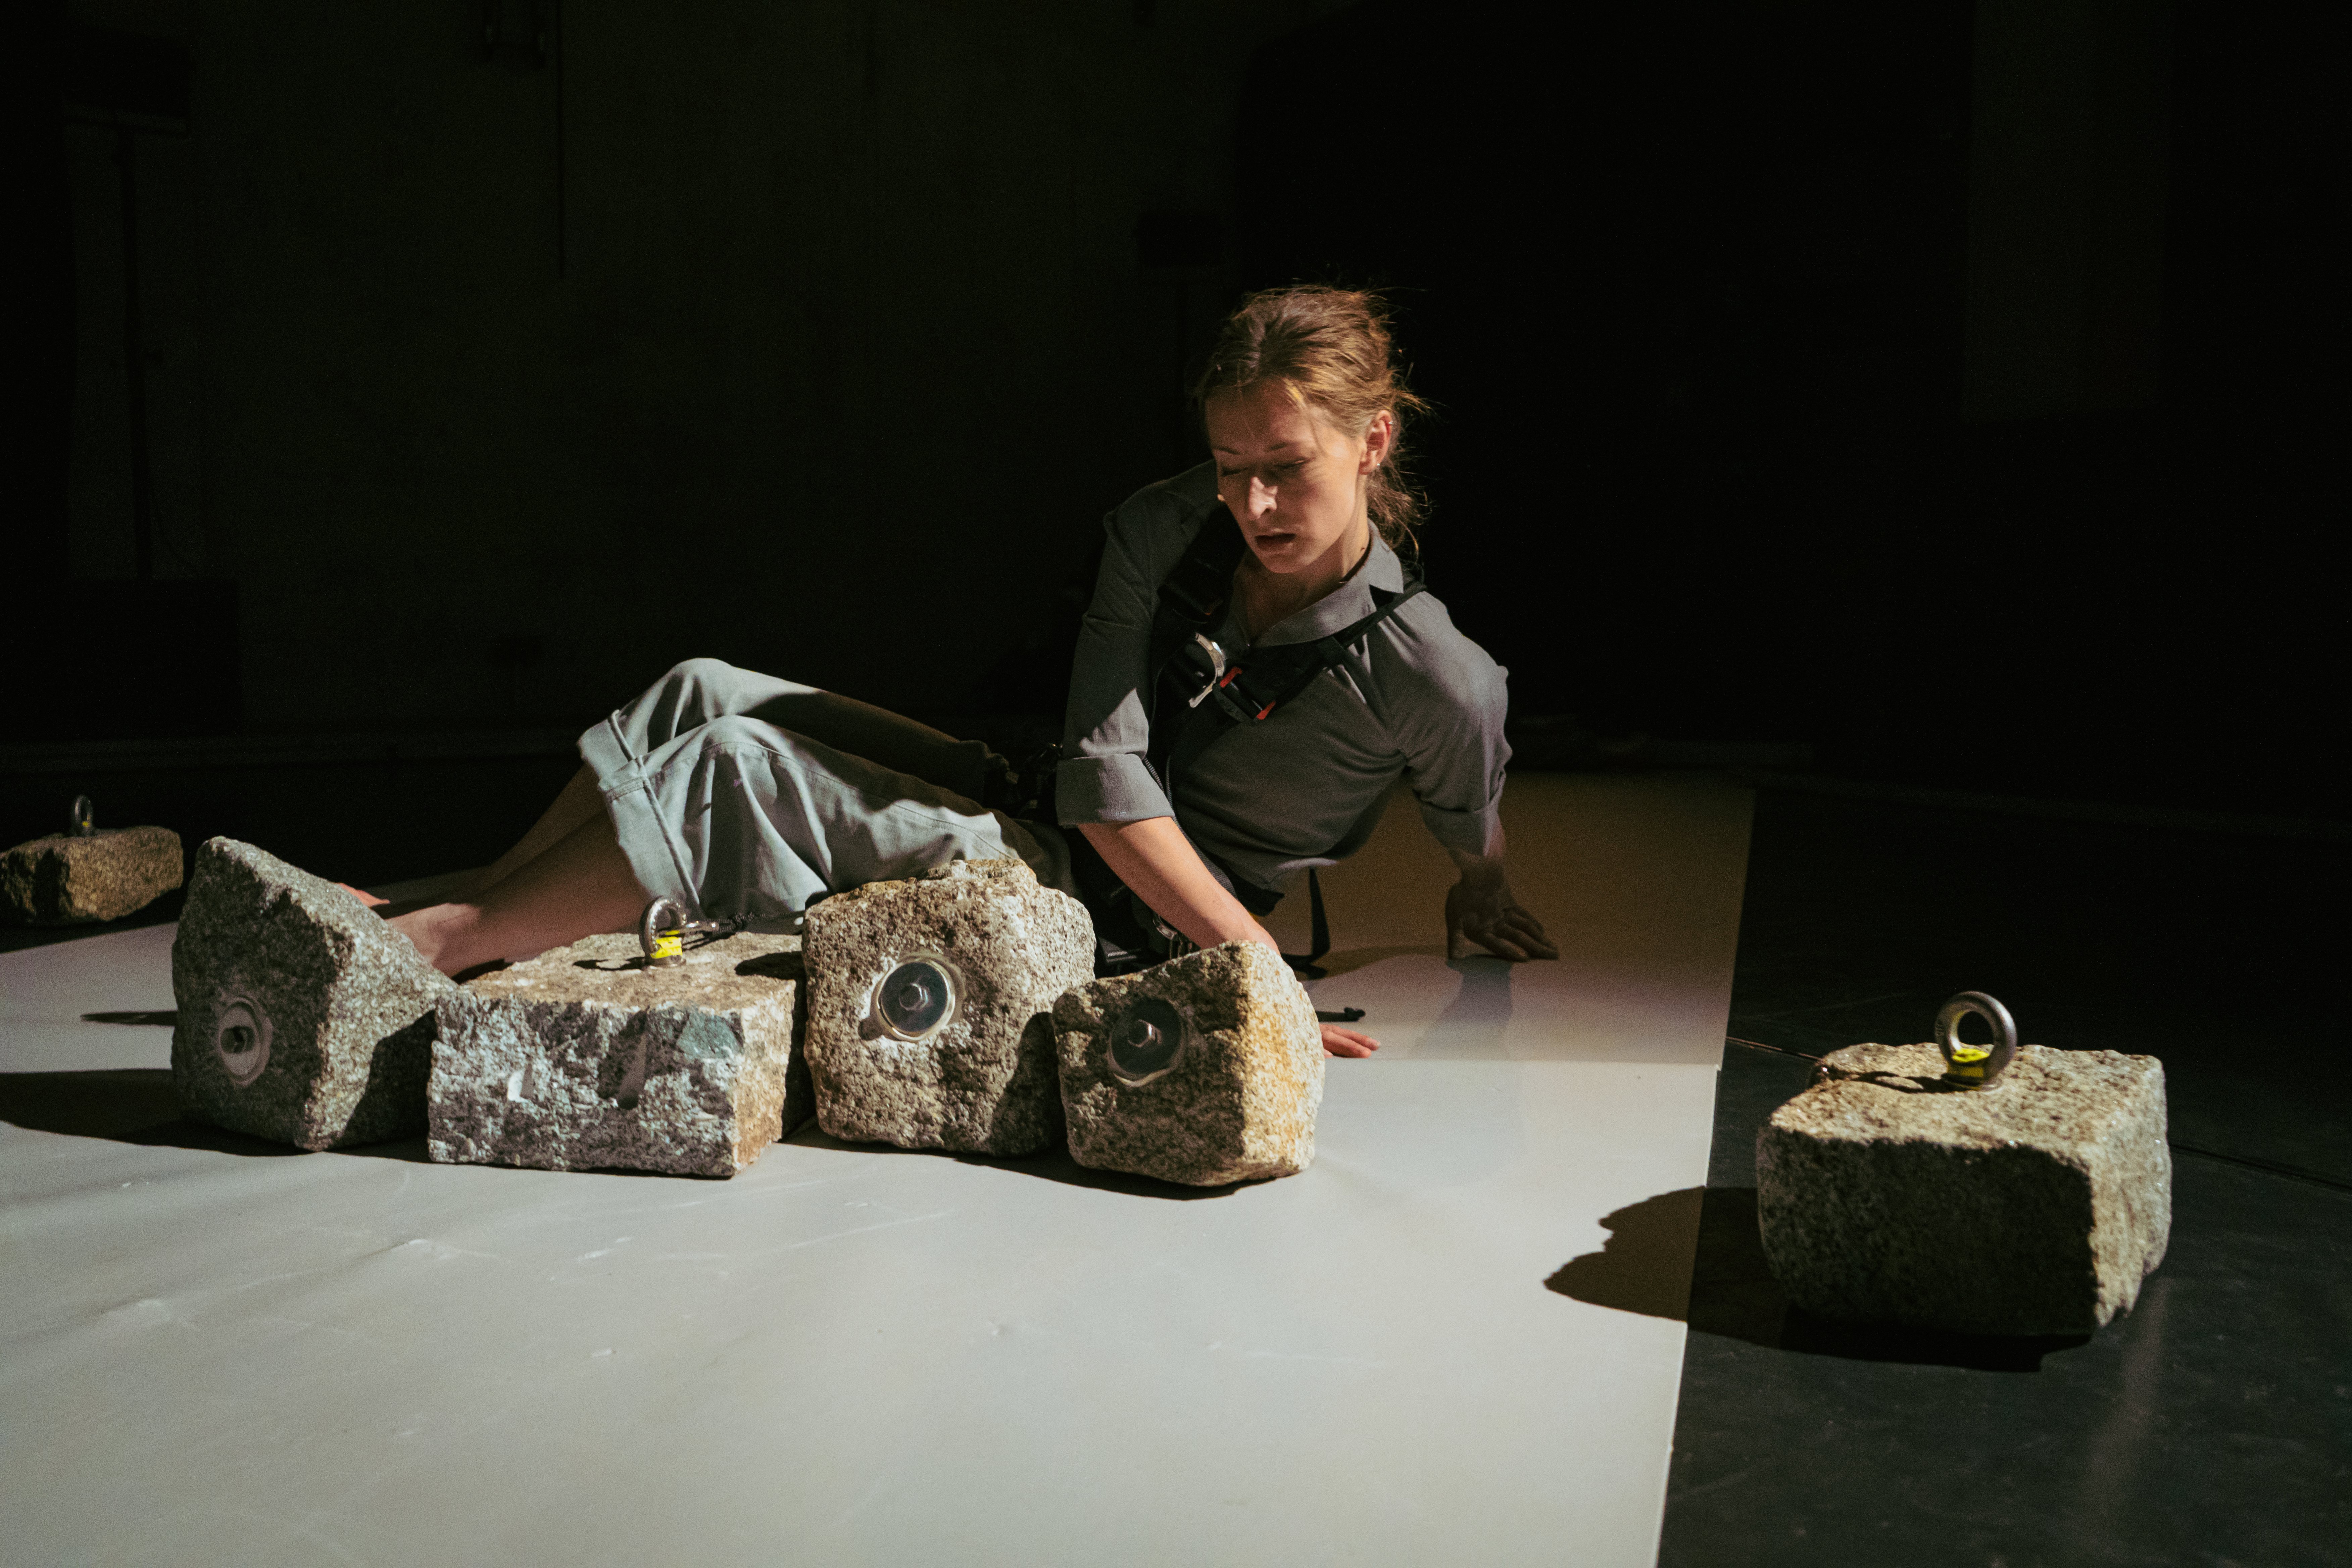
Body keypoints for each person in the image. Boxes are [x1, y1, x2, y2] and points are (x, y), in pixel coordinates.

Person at [383, 286, 1555, 1057]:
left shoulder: (1435, 673)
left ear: (1373, 441)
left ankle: (433, 945)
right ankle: (483, 910)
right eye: (1227, 464)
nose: (1251, 504)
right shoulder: (1166, 528)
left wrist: (1455, 897)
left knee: (739, 767)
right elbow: (1099, 767)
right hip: (1045, 805)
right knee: (702, 689)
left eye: (1286, 467)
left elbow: (1469, 808)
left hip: (1126, 909)